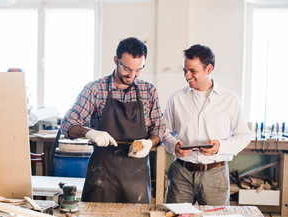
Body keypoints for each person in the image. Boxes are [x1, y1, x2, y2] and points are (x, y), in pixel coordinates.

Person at [61, 37, 164, 203]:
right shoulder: (96, 89)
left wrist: (150, 143)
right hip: (102, 176)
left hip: (136, 178)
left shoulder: (149, 91)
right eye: (126, 68)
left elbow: (158, 129)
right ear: (116, 61)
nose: (132, 75)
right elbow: (67, 125)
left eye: (138, 70)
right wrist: (90, 133)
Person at [162, 44, 251, 205]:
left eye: (193, 71)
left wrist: (220, 147)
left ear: (208, 69)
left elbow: (244, 136)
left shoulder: (230, 100)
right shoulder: (176, 98)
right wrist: (173, 145)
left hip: (215, 175)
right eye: (185, 71)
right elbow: (165, 132)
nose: (187, 76)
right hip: (181, 174)